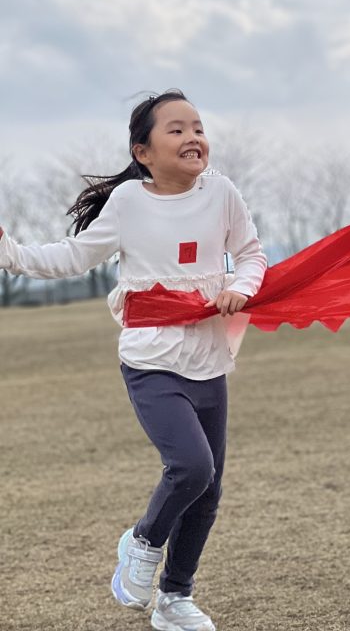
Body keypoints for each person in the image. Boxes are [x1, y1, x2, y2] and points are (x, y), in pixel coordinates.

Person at [0, 90, 267, 631]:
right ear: (143, 152)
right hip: (151, 359)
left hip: (209, 356)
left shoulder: (222, 193)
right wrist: (9, 252)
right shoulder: (127, 203)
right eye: (176, 129)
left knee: (209, 490)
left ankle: (175, 600)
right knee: (192, 466)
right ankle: (142, 542)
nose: (193, 137)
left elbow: (252, 253)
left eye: (198, 126)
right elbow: (73, 256)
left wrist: (242, 284)